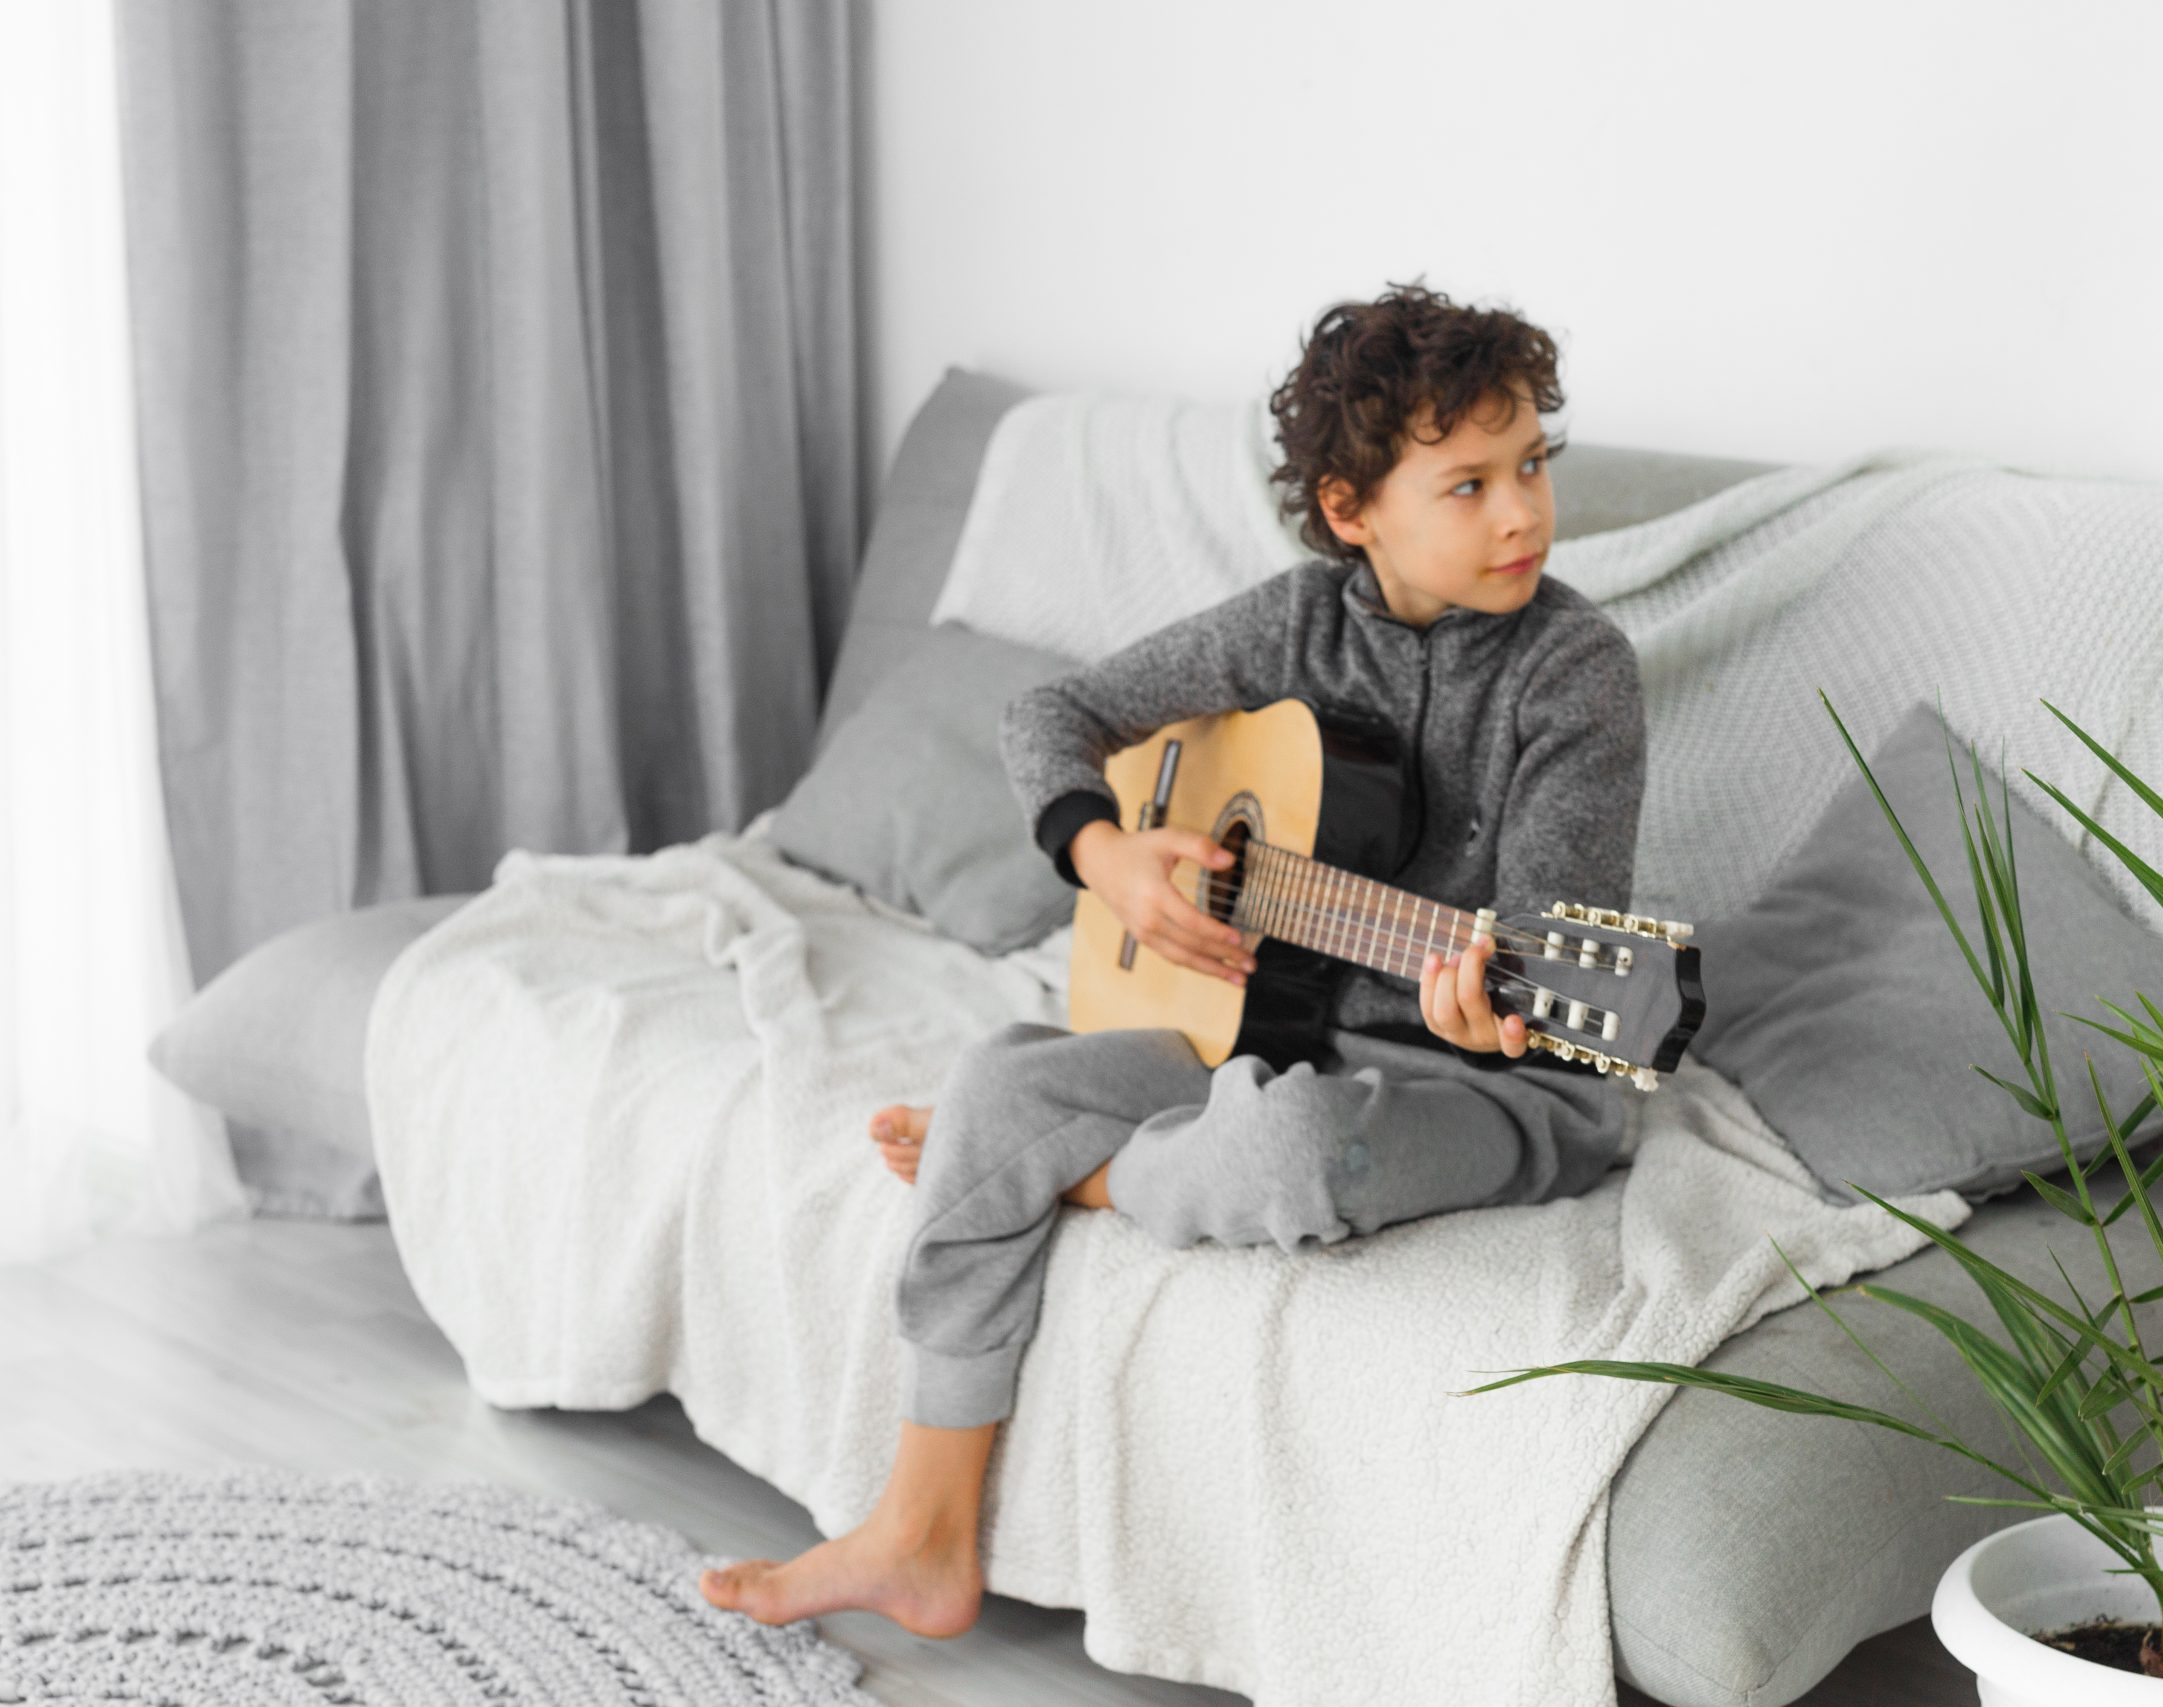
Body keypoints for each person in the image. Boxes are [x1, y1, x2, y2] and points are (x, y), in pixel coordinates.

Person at [699, 278, 1647, 1634]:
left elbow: (1556, 956)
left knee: (1285, 1150)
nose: (1521, 514)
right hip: (1270, 1032)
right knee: (991, 1089)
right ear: (1349, 511)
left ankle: (1080, 1179)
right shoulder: (1296, 627)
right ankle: (921, 1531)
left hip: (1501, 1085)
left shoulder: (1576, 673)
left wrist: (1513, 1019)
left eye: (1531, 467)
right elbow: (1059, 711)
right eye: (1469, 483)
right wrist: (1104, 855)